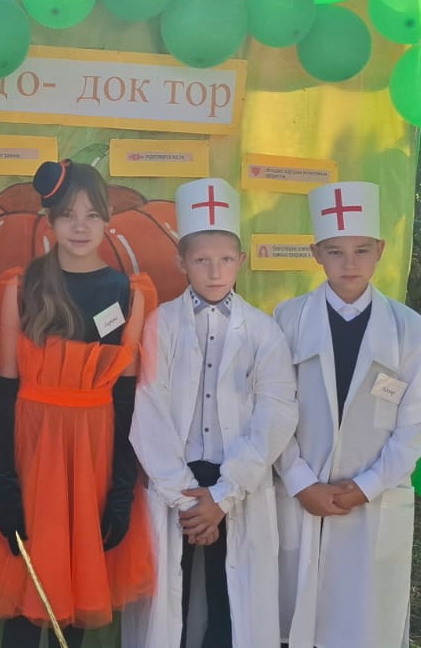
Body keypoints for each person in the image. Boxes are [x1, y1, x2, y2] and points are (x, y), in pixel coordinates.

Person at [0, 159, 157, 648]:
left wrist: (122, 486)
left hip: (94, 457)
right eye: (68, 214)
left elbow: (127, 396)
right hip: (34, 456)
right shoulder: (22, 288)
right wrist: (4, 479)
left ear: (107, 219)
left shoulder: (129, 294)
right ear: (49, 220)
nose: (80, 227)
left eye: (92, 215)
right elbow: (4, 388)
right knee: (26, 589)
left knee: (79, 585)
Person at [272, 181, 421, 648]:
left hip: (374, 499)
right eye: (335, 252)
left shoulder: (409, 330)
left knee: (362, 622)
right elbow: (270, 412)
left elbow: (416, 426)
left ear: (380, 250)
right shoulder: (286, 320)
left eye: (361, 250)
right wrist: (300, 481)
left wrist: (367, 486)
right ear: (316, 254)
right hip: (301, 493)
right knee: (292, 616)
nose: (349, 264)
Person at [126, 178, 298, 648]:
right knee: (171, 596)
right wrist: (185, 498)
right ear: (181, 261)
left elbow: (275, 412)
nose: (215, 271)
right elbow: (148, 406)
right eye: (202, 260)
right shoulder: (161, 323)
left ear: (241, 260)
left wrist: (224, 495)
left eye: (225, 259)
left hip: (235, 477)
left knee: (231, 595)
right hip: (176, 479)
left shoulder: (263, 331)